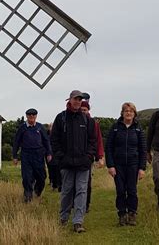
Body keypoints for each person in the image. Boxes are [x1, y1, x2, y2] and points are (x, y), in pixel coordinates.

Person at [50, 90, 97, 233]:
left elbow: (92, 141)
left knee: (82, 191)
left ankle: (78, 222)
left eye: (80, 99)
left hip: (83, 163)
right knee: (67, 191)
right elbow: (54, 140)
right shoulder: (61, 118)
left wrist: (89, 156)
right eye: (75, 99)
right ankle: (63, 218)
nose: (78, 102)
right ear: (69, 100)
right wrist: (60, 156)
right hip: (66, 163)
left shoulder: (87, 120)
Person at [106, 102, 146, 226]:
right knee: (121, 190)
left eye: (131, 111)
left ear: (134, 114)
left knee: (132, 190)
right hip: (118, 165)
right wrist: (110, 165)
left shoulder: (138, 129)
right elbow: (109, 147)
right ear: (122, 113)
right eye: (126, 111)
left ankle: (132, 214)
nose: (128, 113)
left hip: (133, 165)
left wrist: (142, 168)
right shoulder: (115, 127)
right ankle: (122, 214)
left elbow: (142, 149)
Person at [13, 108, 52, 203]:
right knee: (27, 177)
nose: (31, 117)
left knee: (41, 177)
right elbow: (16, 142)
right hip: (26, 155)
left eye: (33, 115)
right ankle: (28, 197)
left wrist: (49, 153)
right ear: (27, 116)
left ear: (36, 116)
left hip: (39, 155)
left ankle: (37, 192)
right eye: (29, 115)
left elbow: (46, 141)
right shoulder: (22, 128)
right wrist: (15, 156)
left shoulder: (40, 127)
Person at [80, 100, 105, 213]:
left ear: (88, 110)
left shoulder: (93, 123)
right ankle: (76, 203)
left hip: (88, 157)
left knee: (87, 181)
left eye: (84, 110)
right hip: (74, 156)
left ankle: (86, 204)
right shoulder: (74, 121)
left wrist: (99, 156)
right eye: (81, 110)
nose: (83, 112)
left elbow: (98, 140)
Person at [46, 123, 62, 192]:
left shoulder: (59, 135)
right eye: (51, 127)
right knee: (51, 170)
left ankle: (59, 185)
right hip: (50, 155)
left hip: (58, 155)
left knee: (58, 170)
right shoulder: (47, 136)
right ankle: (54, 184)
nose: (52, 128)